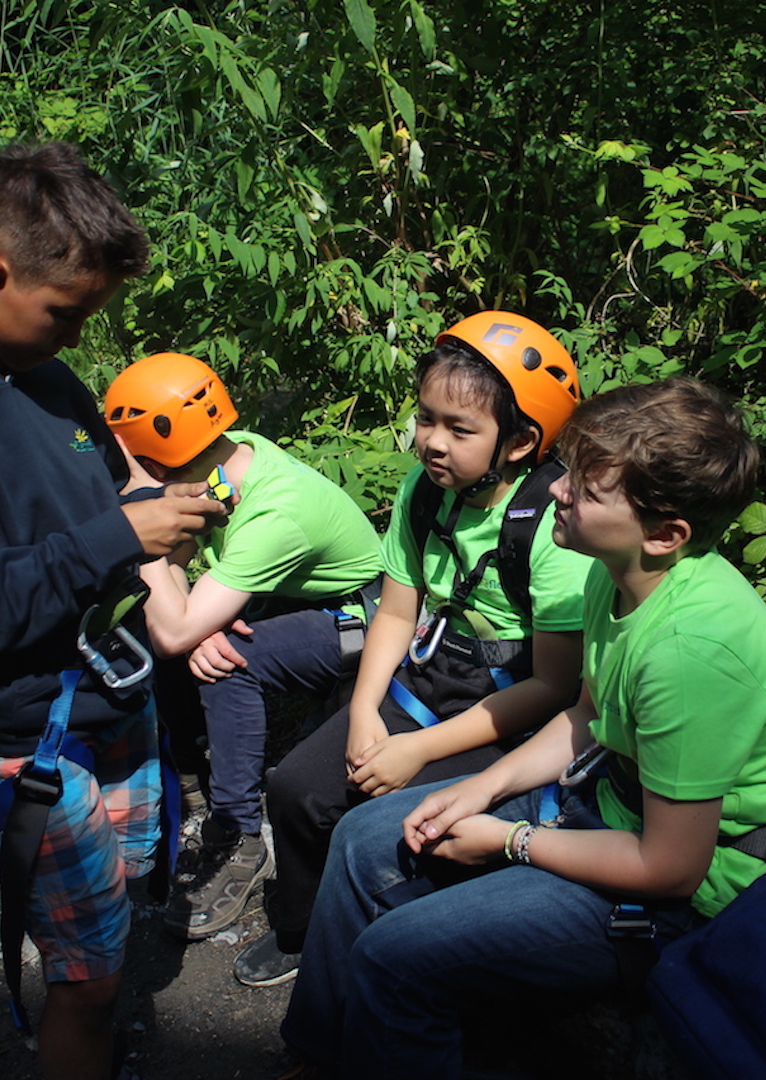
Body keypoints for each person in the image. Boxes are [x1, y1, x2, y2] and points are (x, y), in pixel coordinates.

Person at [277, 377, 766, 1079]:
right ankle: (321, 1052)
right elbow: (588, 716)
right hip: (606, 804)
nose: (557, 490)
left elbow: (670, 868)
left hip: (691, 890)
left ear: (665, 534)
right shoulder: (615, 571)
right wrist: (482, 789)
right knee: (361, 838)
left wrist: (509, 840)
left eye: (586, 491)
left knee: (397, 957)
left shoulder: (690, 655)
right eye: (569, 472)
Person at [0, 142, 226, 1080]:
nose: (75, 339)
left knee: (120, 905)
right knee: (85, 977)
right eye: (64, 313)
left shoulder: (49, 381)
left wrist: (164, 527)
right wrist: (117, 539)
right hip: (34, 737)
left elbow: (108, 494)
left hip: (121, 701)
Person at [234, 312, 595, 989]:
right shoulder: (424, 492)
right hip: (429, 672)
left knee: (391, 821)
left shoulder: (553, 526)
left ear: (519, 442)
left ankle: (385, 946)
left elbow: (553, 686)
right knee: (295, 787)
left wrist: (417, 749)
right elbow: (398, 611)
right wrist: (364, 711)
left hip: (509, 704)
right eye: (426, 419)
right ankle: (301, 931)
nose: (431, 441)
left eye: (459, 429)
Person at [102, 351, 382, 940]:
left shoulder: (275, 510)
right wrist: (193, 622)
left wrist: (141, 513)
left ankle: (240, 834)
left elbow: (173, 623)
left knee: (228, 662)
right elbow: (177, 576)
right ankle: (192, 773)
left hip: (361, 619)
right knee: (173, 625)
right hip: (292, 600)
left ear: (152, 457)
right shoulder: (232, 456)